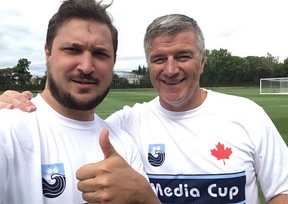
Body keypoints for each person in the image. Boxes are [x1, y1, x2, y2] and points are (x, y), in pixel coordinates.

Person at [1, 14, 288, 203]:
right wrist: (11, 102)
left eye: (183, 56)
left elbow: (281, 191)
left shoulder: (247, 115)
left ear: (202, 60)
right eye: (159, 58)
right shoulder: (122, 128)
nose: (171, 69)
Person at [0, 0, 160, 204]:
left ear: (114, 61)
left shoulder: (122, 143)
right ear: (47, 52)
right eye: (73, 50)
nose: (86, 66)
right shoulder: (8, 129)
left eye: (100, 53)